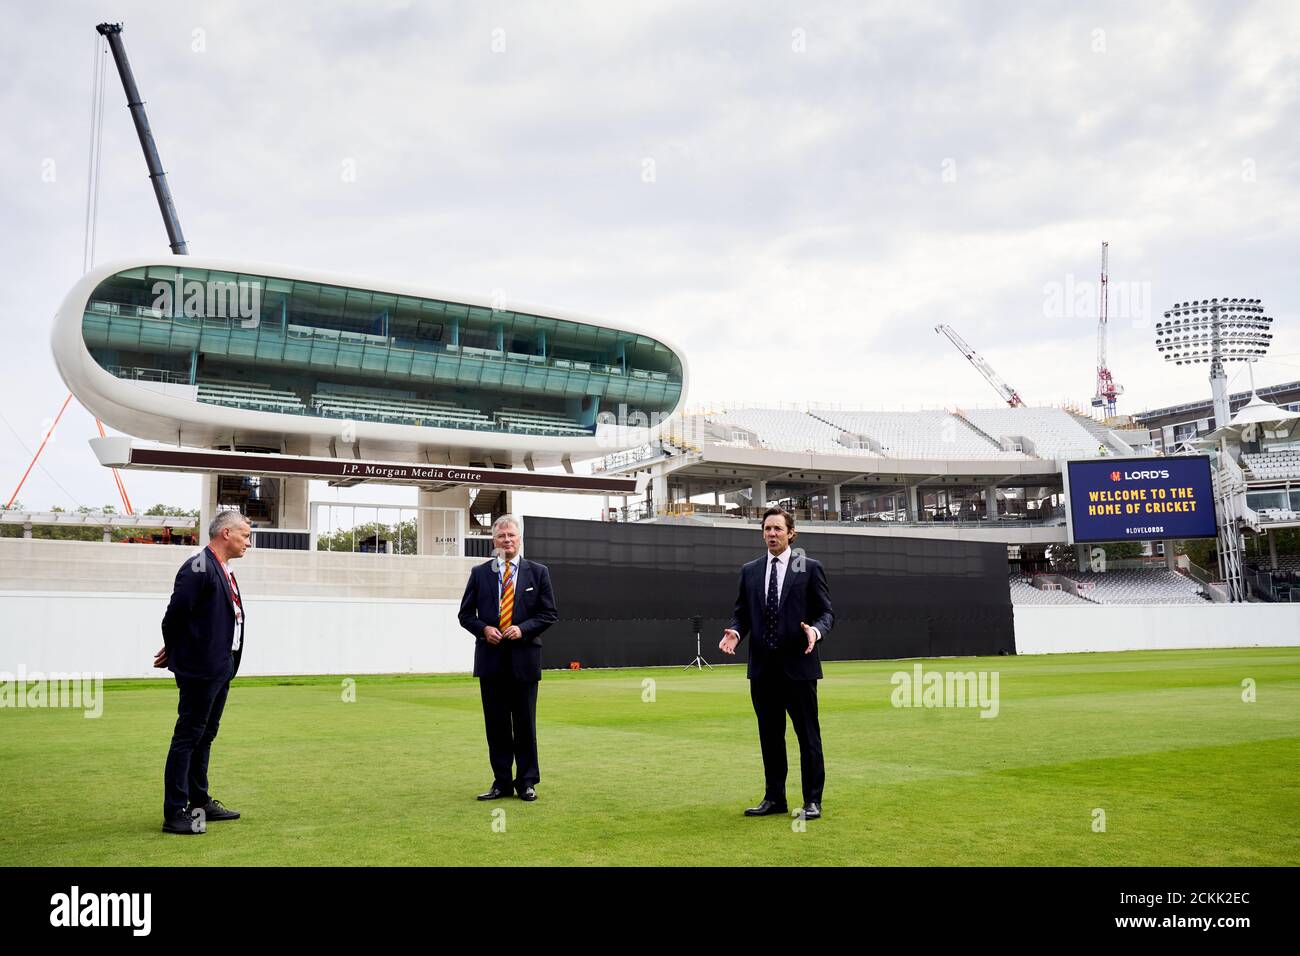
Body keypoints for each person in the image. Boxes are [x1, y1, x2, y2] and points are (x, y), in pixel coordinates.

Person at [720, 506, 834, 820]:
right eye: (767, 529)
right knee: (770, 737)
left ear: (790, 533)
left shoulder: (809, 568)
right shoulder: (750, 571)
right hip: (763, 670)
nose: (772, 534)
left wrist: (815, 631)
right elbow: (742, 614)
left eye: (778, 529)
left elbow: (827, 614)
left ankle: (812, 801)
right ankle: (775, 799)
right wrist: (736, 632)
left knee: (807, 736)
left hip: (799, 668)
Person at [155, 509, 251, 835]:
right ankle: (175, 812)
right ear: (226, 533)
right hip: (202, 669)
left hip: (222, 667)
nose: (248, 543)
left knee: (205, 735)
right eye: (245, 535)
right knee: (188, 736)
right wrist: (177, 651)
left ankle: (199, 802)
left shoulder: (224, 569)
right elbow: (174, 616)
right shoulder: (199, 566)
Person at [458, 514, 558, 801]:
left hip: (524, 660)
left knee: (525, 724)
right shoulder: (480, 573)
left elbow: (549, 613)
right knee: (497, 726)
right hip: (491, 661)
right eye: (502, 536)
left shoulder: (538, 572)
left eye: (511, 535)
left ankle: (527, 782)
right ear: (494, 540)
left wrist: (522, 629)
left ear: (520, 538)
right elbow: (465, 615)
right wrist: (484, 629)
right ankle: (501, 782)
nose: (507, 540)